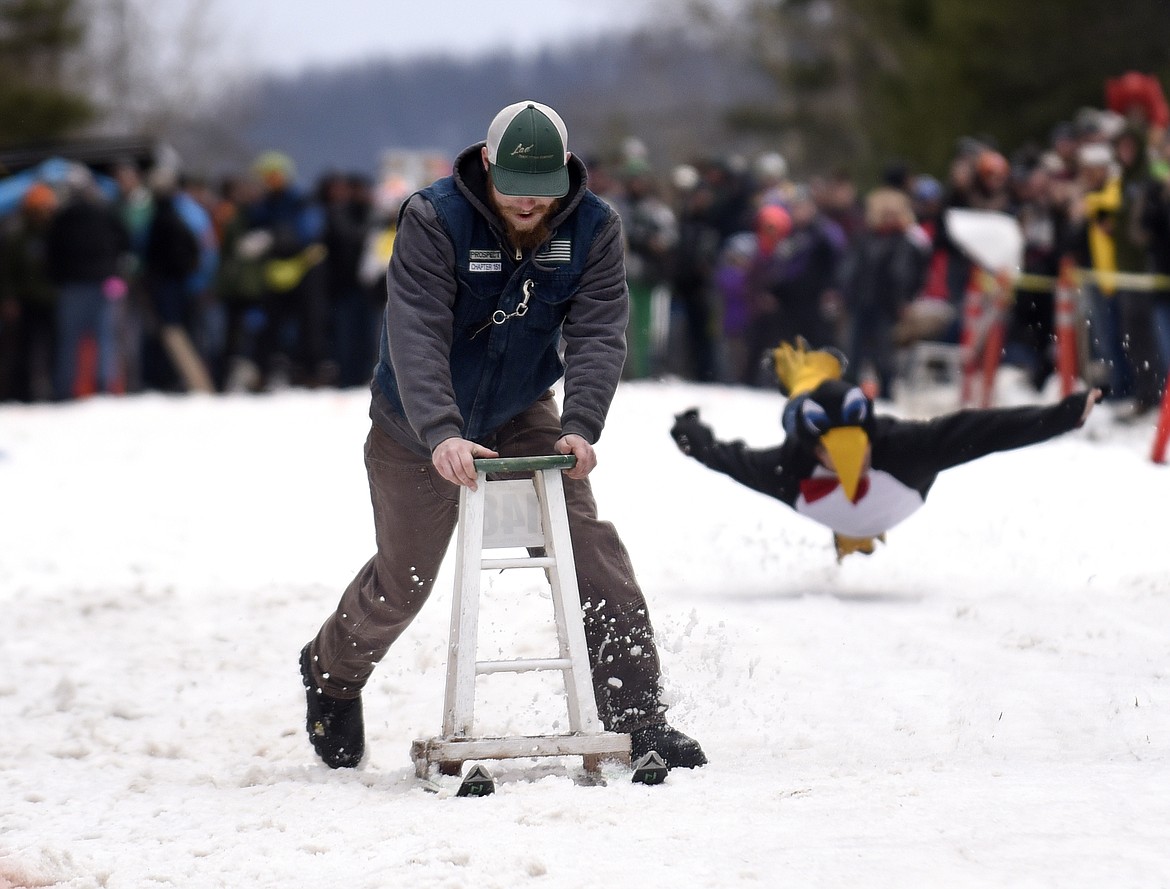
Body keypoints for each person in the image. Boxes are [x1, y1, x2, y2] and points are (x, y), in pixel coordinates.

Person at [299, 100, 707, 773]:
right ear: (487, 164)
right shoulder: (433, 220)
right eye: (514, 187)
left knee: (586, 545)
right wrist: (441, 432)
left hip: (520, 408)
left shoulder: (595, 226)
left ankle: (639, 715)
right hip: (415, 420)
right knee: (405, 579)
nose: (528, 203)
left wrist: (580, 425)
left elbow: (600, 331)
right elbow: (416, 334)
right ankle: (330, 676)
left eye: (542, 191)